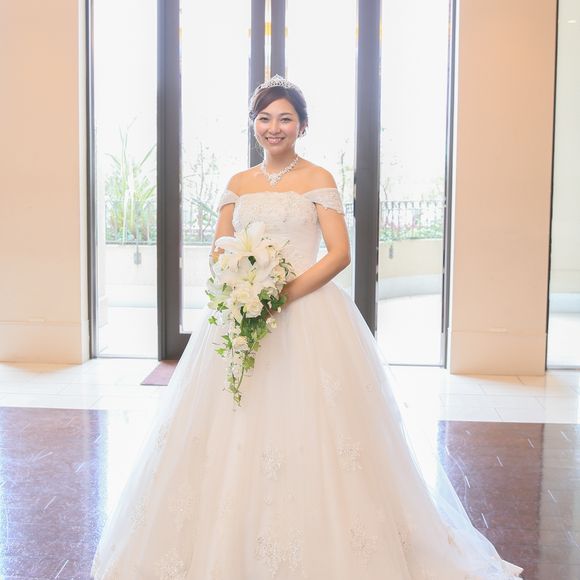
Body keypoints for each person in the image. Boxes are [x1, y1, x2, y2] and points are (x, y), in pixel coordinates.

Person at [90, 75, 523, 579]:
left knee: (319, 426)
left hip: (308, 310)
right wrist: (241, 283)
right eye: (264, 118)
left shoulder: (318, 178)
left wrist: (281, 294)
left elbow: (339, 253)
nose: (273, 128)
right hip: (242, 309)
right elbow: (218, 251)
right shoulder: (237, 183)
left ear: (302, 125)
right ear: (253, 124)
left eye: (285, 118)